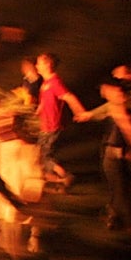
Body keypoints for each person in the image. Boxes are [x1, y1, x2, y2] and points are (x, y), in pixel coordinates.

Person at [77, 78, 131, 231]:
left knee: (119, 188)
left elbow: (128, 129)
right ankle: (122, 220)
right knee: (117, 187)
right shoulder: (112, 106)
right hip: (111, 151)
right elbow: (95, 114)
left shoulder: (119, 107)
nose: (104, 91)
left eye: (108, 89)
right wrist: (86, 115)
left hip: (116, 152)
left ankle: (123, 220)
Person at [34, 52, 87, 188]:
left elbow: (69, 97)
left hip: (51, 126)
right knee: (42, 155)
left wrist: (80, 112)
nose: (36, 65)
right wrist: (39, 110)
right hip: (45, 125)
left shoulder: (55, 83)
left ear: (48, 64)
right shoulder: (46, 83)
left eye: (39, 63)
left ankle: (65, 176)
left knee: (44, 156)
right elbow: (45, 101)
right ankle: (56, 183)